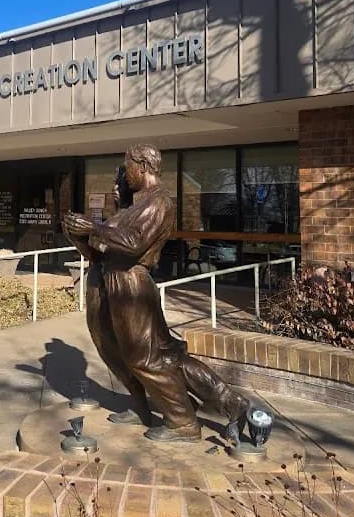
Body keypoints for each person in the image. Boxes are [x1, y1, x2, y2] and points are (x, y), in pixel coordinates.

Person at [64, 144, 248, 443]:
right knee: (125, 352)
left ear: (143, 166)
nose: (124, 178)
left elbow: (134, 243)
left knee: (145, 357)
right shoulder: (133, 206)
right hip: (111, 281)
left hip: (131, 287)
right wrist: (79, 234)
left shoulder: (159, 201)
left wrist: (94, 228)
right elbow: (101, 251)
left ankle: (183, 422)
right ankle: (153, 406)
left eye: (127, 169)